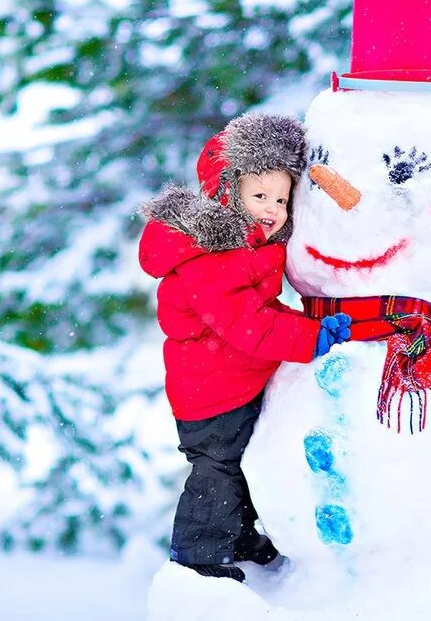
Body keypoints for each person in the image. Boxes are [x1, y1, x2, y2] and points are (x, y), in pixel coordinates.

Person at [138, 112, 350, 583]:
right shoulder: (208, 257)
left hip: (233, 381)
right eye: (259, 196)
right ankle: (199, 556)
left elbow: (264, 308)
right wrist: (310, 337)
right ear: (226, 194)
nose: (272, 208)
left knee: (245, 462)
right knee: (218, 471)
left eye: (281, 198)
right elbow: (246, 323)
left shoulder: (244, 250)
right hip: (211, 394)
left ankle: (240, 535)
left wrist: (308, 323)